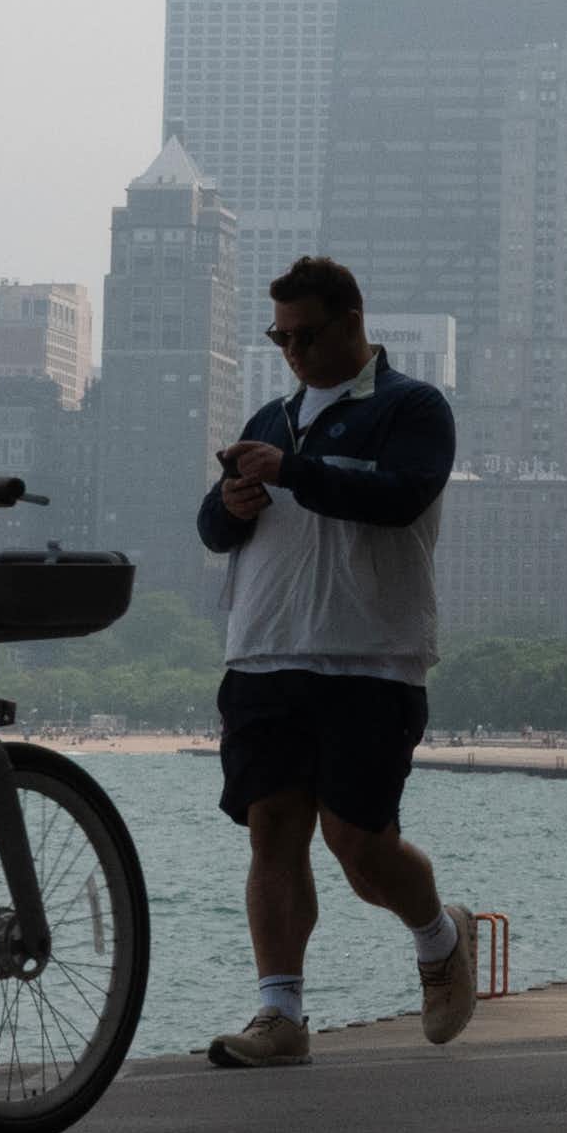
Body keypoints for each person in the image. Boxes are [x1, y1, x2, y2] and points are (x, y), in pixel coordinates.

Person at [195, 256, 477, 1069]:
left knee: (360, 848)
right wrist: (231, 503)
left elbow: (400, 497)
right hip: (263, 654)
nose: (290, 352)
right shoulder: (269, 415)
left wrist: (293, 473)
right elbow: (213, 533)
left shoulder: (412, 407)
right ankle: (279, 1014)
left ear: (354, 321)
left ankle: (438, 935)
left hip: (373, 662)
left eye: (305, 335)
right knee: (272, 832)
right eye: (278, 336)